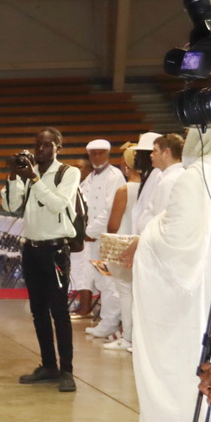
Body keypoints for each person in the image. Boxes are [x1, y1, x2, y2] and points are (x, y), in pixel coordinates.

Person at [124, 121, 211, 422]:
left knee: (200, 373)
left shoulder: (198, 176)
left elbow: (176, 241)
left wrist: (147, 237)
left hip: (197, 301)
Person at [1, 128, 81, 393]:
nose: (42, 149)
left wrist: (34, 178)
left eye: (48, 145)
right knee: (38, 311)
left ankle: (67, 370)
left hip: (56, 249)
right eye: (38, 144)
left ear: (59, 146)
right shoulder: (29, 172)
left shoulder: (67, 172)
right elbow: (11, 206)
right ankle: (49, 365)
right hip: (32, 249)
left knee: (59, 311)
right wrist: (13, 174)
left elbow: (58, 204)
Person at [71, 139, 125, 338]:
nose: (97, 157)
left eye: (101, 153)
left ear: (108, 154)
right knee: (102, 281)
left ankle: (111, 323)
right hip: (93, 241)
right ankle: (107, 321)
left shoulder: (114, 176)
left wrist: (89, 232)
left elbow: (109, 210)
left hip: (106, 239)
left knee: (110, 282)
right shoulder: (90, 178)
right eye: (93, 153)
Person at [100, 144, 144, 353]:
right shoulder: (148, 186)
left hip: (123, 245)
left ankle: (128, 336)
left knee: (125, 293)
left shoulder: (125, 189)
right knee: (138, 294)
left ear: (126, 165)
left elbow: (113, 224)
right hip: (142, 244)